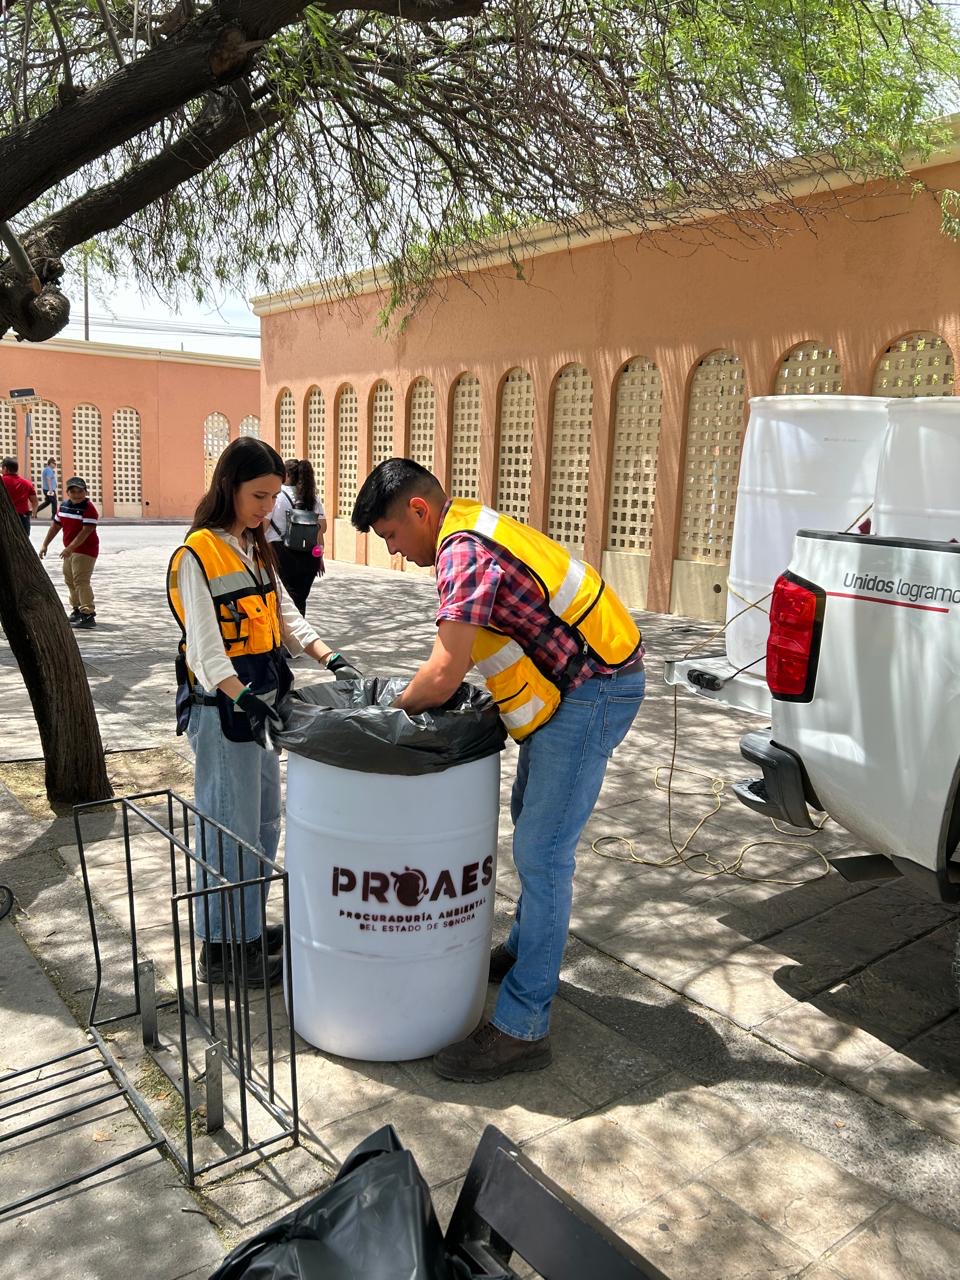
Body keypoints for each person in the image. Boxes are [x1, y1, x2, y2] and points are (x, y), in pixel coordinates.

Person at [352, 458, 645, 1082]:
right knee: (530, 824)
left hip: (596, 689)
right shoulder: (468, 528)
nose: (397, 553)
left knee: (543, 852)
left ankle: (521, 1028)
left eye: (392, 537)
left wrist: (386, 719)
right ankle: (522, 953)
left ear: (419, 511)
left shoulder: (462, 552)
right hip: (575, 685)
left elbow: (443, 671)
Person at [166, 437, 361, 987]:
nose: (265, 507)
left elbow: (288, 618)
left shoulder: (255, 549)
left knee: (262, 823)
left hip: (259, 709)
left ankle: (245, 929)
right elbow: (205, 652)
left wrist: (334, 659)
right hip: (224, 711)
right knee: (229, 827)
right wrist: (247, 701)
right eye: (258, 495)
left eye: (273, 497)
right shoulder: (197, 555)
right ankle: (224, 951)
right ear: (228, 486)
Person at [265, 457, 327, 616]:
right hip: (309, 557)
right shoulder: (312, 498)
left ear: (286, 475)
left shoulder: (277, 496)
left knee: (283, 602)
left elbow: (264, 526)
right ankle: (298, 636)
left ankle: (285, 638)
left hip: (281, 554)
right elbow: (322, 529)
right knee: (299, 602)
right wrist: (319, 558)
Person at [38, 476, 100, 626]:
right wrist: (45, 544)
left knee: (81, 580)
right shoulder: (64, 506)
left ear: (85, 492)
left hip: (86, 550)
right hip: (70, 550)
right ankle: (77, 609)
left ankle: (88, 614)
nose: (77, 495)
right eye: (73, 491)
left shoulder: (89, 508)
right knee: (70, 580)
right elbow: (55, 526)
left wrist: (70, 548)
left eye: (80, 491)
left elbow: (85, 532)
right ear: (68, 492)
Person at [2, 457, 38, 534]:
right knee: (23, 542)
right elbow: (35, 502)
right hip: (23, 518)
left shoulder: (2, 482)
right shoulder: (27, 483)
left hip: (5, 517)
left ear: (5, 468)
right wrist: (33, 513)